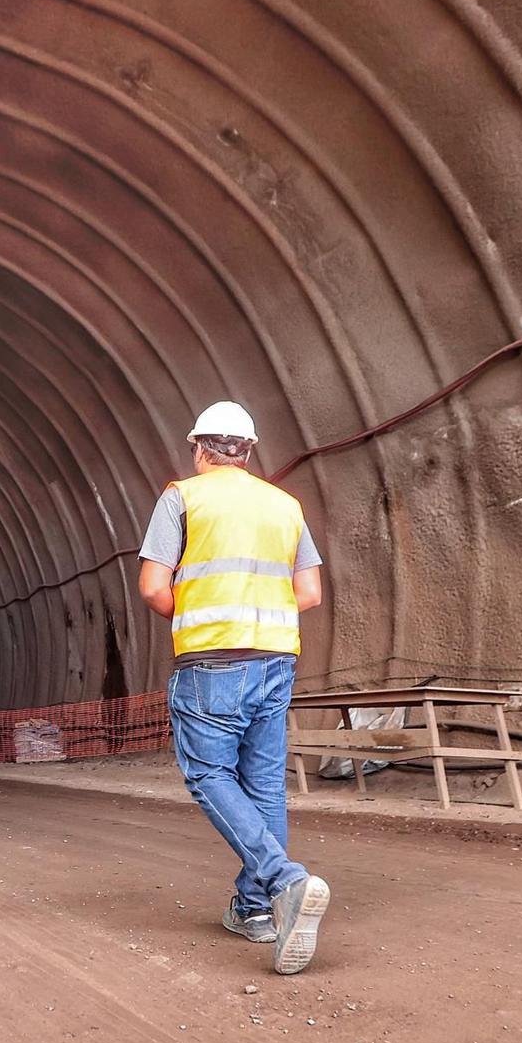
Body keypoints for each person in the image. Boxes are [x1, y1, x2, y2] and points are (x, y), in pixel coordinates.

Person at [137, 401, 331, 975]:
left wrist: (195, 614)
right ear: (247, 451)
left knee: (209, 775)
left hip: (212, 661)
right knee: (264, 784)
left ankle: (285, 881)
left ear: (200, 448)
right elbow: (310, 592)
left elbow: (153, 586)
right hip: (275, 660)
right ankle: (255, 910)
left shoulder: (183, 497)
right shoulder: (285, 505)